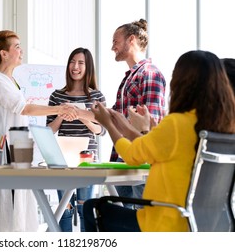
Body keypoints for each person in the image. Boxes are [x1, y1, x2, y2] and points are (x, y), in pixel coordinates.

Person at [83, 50, 235, 231]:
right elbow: (156, 149)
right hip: (203, 225)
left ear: (182, 82)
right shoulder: (222, 128)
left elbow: (132, 155)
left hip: (163, 224)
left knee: (91, 207)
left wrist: (108, 124)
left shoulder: (177, 123)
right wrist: (125, 126)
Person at [0, 30, 78, 232]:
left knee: (23, 210)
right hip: (6, 154)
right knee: (9, 211)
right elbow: (24, 108)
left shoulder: (12, 81)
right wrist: (59, 109)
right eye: (17, 46)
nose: (21, 50)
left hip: (20, 152)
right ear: (4, 53)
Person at [47, 47, 106, 232]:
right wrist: (62, 114)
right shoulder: (57, 96)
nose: (75, 66)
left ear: (88, 67)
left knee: (84, 207)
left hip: (86, 160)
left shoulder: (96, 96)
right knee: (64, 209)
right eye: (72, 62)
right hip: (62, 159)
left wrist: (81, 114)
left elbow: (101, 130)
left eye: (81, 63)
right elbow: (49, 130)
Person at [109, 18, 166, 204]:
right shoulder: (129, 79)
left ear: (131, 39)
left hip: (141, 159)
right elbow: (113, 116)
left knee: (143, 218)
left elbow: (150, 124)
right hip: (125, 157)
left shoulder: (149, 74)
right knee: (125, 219)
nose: (112, 47)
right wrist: (78, 113)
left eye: (116, 41)